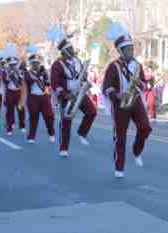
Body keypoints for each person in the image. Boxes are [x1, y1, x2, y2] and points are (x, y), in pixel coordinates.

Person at [102, 21, 152, 178]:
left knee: (145, 127)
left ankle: (137, 152)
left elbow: (145, 85)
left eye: (132, 49)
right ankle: (119, 168)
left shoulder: (137, 65)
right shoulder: (113, 66)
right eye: (128, 49)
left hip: (135, 100)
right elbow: (107, 88)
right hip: (121, 103)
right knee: (120, 136)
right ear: (120, 51)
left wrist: (140, 83)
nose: (131, 51)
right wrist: (117, 95)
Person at [48, 25, 97, 157]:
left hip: (79, 92)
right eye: (70, 49)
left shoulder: (77, 60)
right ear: (64, 51)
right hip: (67, 94)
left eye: (72, 48)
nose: (72, 50)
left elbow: (82, 75)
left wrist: (85, 78)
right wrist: (65, 95)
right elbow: (54, 83)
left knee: (92, 112)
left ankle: (82, 133)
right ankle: (64, 148)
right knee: (66, 121)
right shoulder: (57, 65)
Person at [24, 52, 55, 144]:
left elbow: (48, 84)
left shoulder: (43, 72)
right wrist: (39, 74)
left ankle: (51, 133)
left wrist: (45, 74)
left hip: (44, 96)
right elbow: (29, 80)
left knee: (49, 116)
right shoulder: (27, 73)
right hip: (33, 97)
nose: (36, 64)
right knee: (34, 117)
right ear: (31, 63)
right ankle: (31, 136)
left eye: (37, 62)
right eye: (34, 62)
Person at [3, 45, 26, 135]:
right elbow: (5, 81)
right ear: (9, 64)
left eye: (14, 64)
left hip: (18, 92)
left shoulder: (19, 71)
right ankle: (9, 127)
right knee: (10, 110)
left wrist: (18, 74)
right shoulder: (5, 71)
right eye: (11, 64)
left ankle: (22, 126)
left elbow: (22, 81)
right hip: (9, 92)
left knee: (21, 109)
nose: (13, 65)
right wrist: (10, 74)